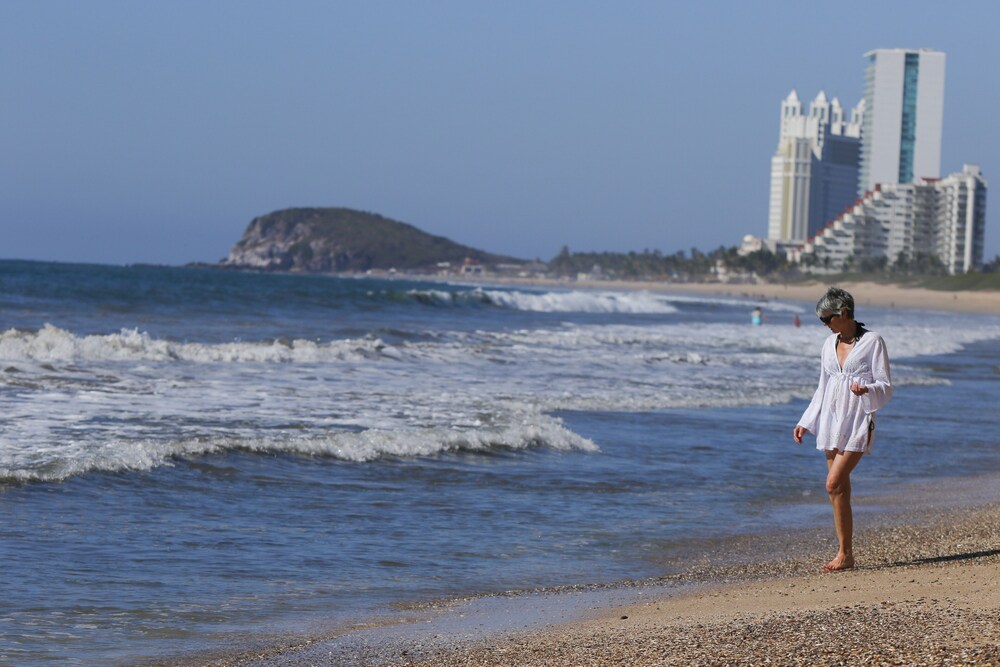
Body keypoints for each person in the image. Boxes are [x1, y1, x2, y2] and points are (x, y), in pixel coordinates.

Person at [793, 287, 892, 573]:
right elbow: (823, 387)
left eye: (827, 319)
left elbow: (886, 387)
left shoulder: (873, 342)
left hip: (859, 419)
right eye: (821, 320)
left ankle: (844, 553)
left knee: (832, 483)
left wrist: (867, 389)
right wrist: (806, 421)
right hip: (831, 421)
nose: (824, 325)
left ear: (844, 313)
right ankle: (845, 554)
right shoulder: (828, 344)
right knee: (840, 490)